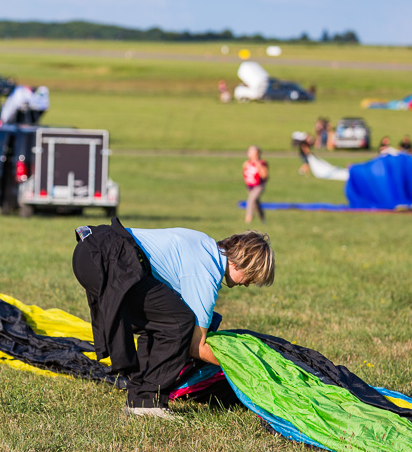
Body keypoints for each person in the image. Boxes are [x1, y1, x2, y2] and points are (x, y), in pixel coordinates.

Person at [72, 222, 274, 419]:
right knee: (178, 323)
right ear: (239, 262)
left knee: (161, 322)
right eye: (251, 277)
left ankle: (140, 400)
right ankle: (147, 402)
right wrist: (245, 367)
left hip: (92, 249)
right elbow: (197, 346)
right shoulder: (206, 271)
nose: (248, 284)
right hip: (108, 257)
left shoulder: (205, 246)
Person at [242, 145, 268, 224]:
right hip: (250, 186)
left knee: (250, 200)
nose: (248, 153)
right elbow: (244, 172)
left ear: (256, 153)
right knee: (256, 203)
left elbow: (264, 175)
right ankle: (262, 218)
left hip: (258, 186)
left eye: (250, 151)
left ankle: (248, 218)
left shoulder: (261, 163)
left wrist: (258, 165)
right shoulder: (247, 163)